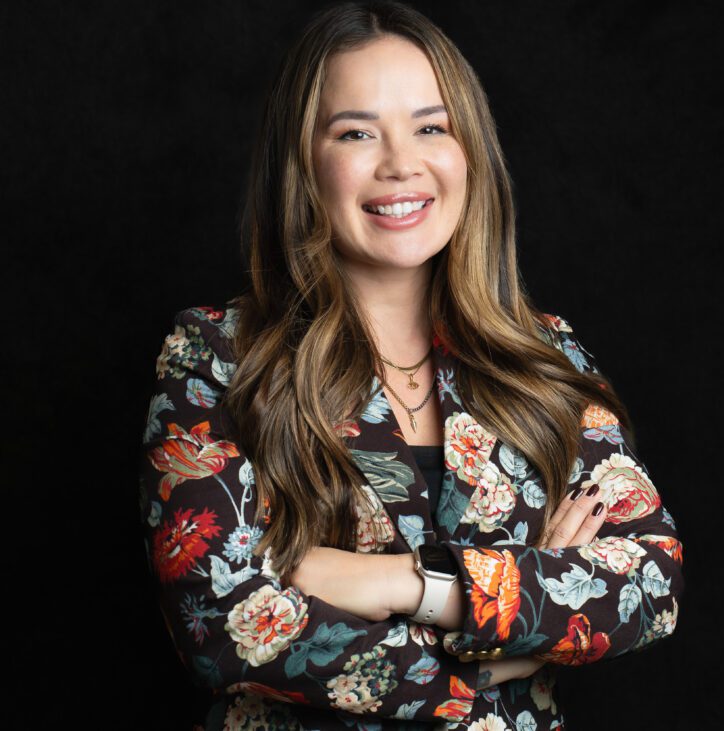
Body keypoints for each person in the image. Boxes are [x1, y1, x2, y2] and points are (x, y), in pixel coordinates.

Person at [138, 2, 684, 729]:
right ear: (304, 161)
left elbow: (652, 581)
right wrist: (521, 637)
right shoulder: (220, 356)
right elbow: (223, 628)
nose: (401, 163)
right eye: (356, 132)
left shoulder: (545, 355)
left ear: (470, 153)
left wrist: (405, 584)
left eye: (431, 127)